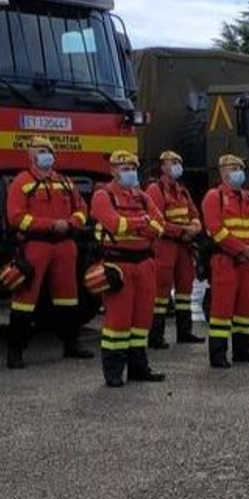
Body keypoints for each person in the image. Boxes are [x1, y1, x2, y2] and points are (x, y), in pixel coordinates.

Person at [5, 136, 93, 369]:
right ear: (31, 156)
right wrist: (51, 225)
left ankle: (71, 343)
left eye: (49, 150)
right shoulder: (21, 182)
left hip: (65, 245)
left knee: (69, 296)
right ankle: (15, 351)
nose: (47, 155)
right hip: (36, 245)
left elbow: (83, 209)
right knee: (25, 298)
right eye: (41, 150)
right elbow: (16, 217)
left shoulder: (64, 182)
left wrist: (72, 223)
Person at [91, 151, 167, 388]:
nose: (130, 171)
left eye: (133, 167)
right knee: (118, 321)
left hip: (144, 263)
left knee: (142, 318)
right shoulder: (102, 196)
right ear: (113, 170)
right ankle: (113, 371)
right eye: (124, 167)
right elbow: (115, 224)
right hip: (119, 264)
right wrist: (143, 223)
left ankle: (138, 367)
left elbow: (160, 225)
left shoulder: (143, 197)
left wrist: (135, 225)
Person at [203, 154, 249, 368]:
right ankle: (218, 353)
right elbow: (216, 230)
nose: (239, 171)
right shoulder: (214, 197)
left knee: (246, 307)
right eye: (234, 168)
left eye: (241, 167)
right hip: (226, 260)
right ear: (223, 172)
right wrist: (241, 249)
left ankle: (243, 349)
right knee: (222, 309)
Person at [144, 150, 204, 348]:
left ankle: (184, 332)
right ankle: (156, 335)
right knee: (161, 290)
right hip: (166, 244)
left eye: (179, 162)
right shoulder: (155, 190)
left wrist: (195, 227)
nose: (177, 165)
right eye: (172, 162)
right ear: (162, 167)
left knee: (185, 288)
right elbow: (157, 221)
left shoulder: (182, 190)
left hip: (184, 246)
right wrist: (182, 231)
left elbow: (195, 214)